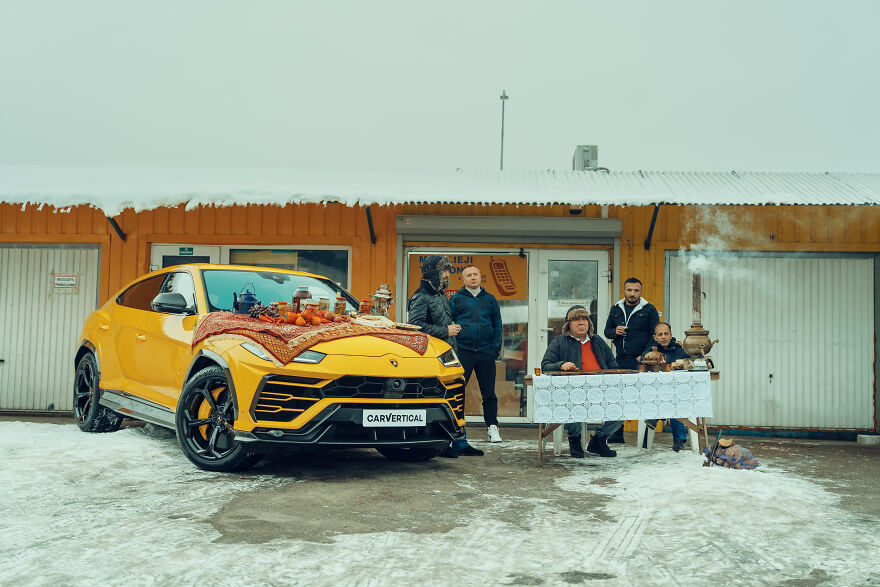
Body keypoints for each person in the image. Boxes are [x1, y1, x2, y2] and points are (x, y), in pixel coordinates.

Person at [408, 255, 483, 458]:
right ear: (433, 272)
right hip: (432, 359)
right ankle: (440, 444)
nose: (448, 275)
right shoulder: (420, 296)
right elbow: (415, 326)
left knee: (456, 397)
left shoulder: (440, 294)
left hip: (448, 355)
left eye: (448, 271)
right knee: (438, 399)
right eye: (444, 271)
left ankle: (460, 441)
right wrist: (446, 330)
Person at [541, 305, 621, 458]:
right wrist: (561, 364)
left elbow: (612, 365)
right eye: (576, 319)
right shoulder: (560, 341)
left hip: (600, 390)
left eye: (584, 319)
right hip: (572, 390)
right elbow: (545, 365)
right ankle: (575, 440)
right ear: (568, 325)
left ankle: (599, 439)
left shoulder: (597, 341)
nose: (581, 322)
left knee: (623, 406)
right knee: (574, 401)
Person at [450, 265, 503, 443]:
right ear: (463, 280)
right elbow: (449, 324)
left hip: (486, 352)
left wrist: (494, 348)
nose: (473, 277)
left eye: (475, 274)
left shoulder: (490, 299)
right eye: (469, 275)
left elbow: (497, 325)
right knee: (457, 391)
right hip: (463, 352)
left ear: (480, 277)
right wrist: (454, 349)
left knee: (489, 393)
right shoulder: (456, 299)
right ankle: (456, 428)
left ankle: (492, 428)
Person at [603, 278, 660, 444]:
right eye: (629, 290)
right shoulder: (616, 309)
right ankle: (616, 433)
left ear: (640, 292)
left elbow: (654, 336)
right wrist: (615, 331)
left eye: (636, 290)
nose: (633, 294)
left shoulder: (649, 310)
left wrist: (643, 356)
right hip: (620, 359)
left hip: (641, 361)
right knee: (617, 397)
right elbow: (606, 331)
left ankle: (644, 439)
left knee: (643, 397)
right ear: (624, 291)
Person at [641, 322, 690, 451]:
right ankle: (649, 436)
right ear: (655, 337)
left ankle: (678, 440)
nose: (663, 337)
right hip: (655, 392)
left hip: (677, 391)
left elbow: (689, 366)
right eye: (660, 334)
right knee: (661, 399)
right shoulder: (650, 351)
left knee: (676, 402)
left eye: (666, 334)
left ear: (671, 335)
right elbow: (641, 367)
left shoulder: (680, 350)